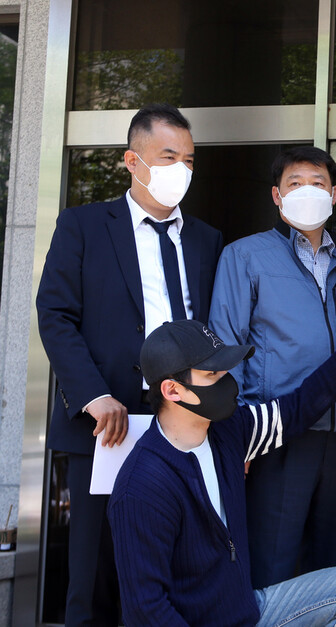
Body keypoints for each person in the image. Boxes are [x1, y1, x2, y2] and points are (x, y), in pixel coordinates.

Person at [36, 103, 223, 626]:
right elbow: (54, 314)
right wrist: (92, 395)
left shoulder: (207, 240)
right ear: (132, 161)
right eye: (168, 156)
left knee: (170, 572)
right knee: (95, 579)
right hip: (108, 425)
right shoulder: (84, 225)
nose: (181, 169)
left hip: (181, 425)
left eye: (189, 159)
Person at [107, 298, 336, 626]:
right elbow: (146, 609)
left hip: (250, 611)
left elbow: (299, 408)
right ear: (172, 390)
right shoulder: (142, 486)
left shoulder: (227, 430)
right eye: (212, 374)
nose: (227, 381)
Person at [208, 146, 336, 588]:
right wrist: (235, 435)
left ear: (335, 194)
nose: (308, 192)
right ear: (276, 196)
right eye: (295, 184)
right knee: (272, 568)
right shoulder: (244, 256)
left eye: (318, 184)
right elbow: (226, 350)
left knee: (331, 573)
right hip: (273, 437)